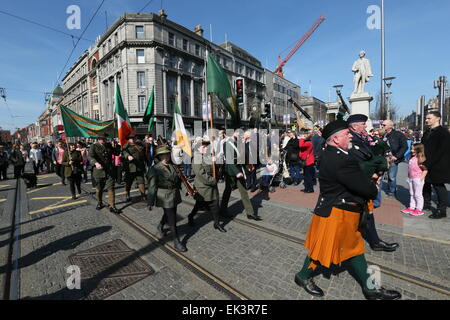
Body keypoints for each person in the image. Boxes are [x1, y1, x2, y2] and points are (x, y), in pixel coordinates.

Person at [294, 120, 401, 300]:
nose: (350, 135)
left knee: (340, 248)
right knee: (338, 249)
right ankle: (370, 289)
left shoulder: (334, 153)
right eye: (346, 133)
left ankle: (304, 276)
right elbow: (365, 188)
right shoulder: (339, 159)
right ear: (335, 139)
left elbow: (355, 174)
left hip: (337, 210)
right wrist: (373, 185)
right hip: (337, 212)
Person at [348, 114, 399, 252]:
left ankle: (374, 241)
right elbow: (358, 161)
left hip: (364, 180)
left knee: (367, 212)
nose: (366, 126)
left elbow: (369, 154)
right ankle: (370, 242)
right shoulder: (351, 139)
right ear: (355, 126)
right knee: (360, 213)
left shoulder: (361, 137)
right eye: (363, 124)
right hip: (358, 181)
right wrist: (373, 173)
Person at [147, 145, 187, 252]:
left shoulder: (174, 166)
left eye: (167, 154)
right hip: (164, 196)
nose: (166, 156)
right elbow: (152, 186)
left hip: (174, 194)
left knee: (170, 213)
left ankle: (160, 225)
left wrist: (186, 190)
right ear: (159, 156)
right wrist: (150, 201)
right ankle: (176, 241)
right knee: (172, 219)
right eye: (163, 155)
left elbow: (180, 180)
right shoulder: (155, 169)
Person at [220, 131, 262, 221]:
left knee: (244, 191)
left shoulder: (238, 143)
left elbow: (242, 157)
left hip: (239, 169)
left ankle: (250, 213)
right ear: (233, 132)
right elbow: (229, 161)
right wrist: (236, 172)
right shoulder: (227, 144)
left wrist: (248, 166)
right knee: (228, 191)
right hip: (230, 170)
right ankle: (223, 210)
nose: (240, 134)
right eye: (238, 132)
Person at [188, 138, 226, 232]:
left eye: (206, 146)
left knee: (215, 204)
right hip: (203, 187)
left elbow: (214, 169)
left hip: (212, 185)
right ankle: (191, 216)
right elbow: (201, 174)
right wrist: (213, 181)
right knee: (199, 205)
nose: (206, 148)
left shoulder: (208, 156)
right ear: (197, 148)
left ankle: (216, 224)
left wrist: (215, 161)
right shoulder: (196, 158)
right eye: (203, 147)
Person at [421, 111, 450, 219]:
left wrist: (427, 164)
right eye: (426, 118)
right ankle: (426, 204)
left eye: (429, 118)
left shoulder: (443, 132)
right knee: (425, 184)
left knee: (438, 186)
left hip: (438, 165)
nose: (426, 120)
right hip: (426, 162)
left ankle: (442, 210)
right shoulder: (427, 131)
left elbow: (441, 151)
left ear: (438, 118)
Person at [90, 133, 121, 214]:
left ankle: (112, 206)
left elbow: (116, 153)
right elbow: (90, 156)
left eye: (105, 138)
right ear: (98, 139)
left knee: (111, 187)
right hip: (99, 171)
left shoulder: (108, 145)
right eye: (102, 138)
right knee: (99, 188)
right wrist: (95, 163)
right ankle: (100, 202)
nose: (104, 140)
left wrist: (117, 145)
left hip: (109, 170)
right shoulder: (94, 146)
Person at [381, 120, 408, 198]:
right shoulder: (382, 134)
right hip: (382, 158)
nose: (382, 126)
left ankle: (391, 192)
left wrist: (396, 156)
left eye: (384, 125)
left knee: (391, 176)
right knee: (381, 175)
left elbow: (404, 147)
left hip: (393, 158)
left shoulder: (398, 134)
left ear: (390, 126)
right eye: (382, 125)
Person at [401, 144, 428, 216]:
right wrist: (408, 178)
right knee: (412, 193)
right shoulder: (412, 158)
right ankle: (412, 207)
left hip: (417, 179)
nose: (411, 150)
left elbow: (425, 170)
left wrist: (420, 179)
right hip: (411, 178)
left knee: (417, 194)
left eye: (413, 149)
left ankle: (419, 209)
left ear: (418, 150)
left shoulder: (420, 159)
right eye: (411, 149)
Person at [122, 134, 146, 202]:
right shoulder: (126, 146)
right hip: (130, 167)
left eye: (134, 138)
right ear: (128, 139)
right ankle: (127, 195)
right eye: (131, 138)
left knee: (141, 181)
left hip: (139, 167)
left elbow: (143, 153)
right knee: (128, 182)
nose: (132, 139)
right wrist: (128, 156)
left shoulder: (139, 145)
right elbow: (124, 152)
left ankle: (143, 195)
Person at [299, 128, 315, 193]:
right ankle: (306, 188)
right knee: (305, 176)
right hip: (306, 161)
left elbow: (301, 145)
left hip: (308, 161)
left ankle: (310, 189)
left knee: (308, 176)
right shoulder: (307, 141)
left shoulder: (309, 142)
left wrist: (301, 138)